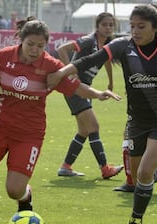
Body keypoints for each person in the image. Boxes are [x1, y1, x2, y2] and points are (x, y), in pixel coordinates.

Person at [0, 17, 121, 224]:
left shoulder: (51, 66)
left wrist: (98, 94)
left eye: (40, 46)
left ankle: (25, 200)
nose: (34, 50)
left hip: (29, 134)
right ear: (21, 40)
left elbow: (77, 87)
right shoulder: (4, 56)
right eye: (30, 44)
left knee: (14, 189)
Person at [46, 4, 157, 224]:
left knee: (145, 172)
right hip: (137, 121)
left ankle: (135, 221)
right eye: (132, 26)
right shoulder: (122, 46)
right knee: (138, 179)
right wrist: (61, 73)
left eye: (141, 26)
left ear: (155, 28)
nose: (135, 31)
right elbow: (88, 60)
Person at [113, 4, 157, 193]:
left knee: (134, 142)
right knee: (134, 142)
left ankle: (144, 179)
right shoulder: (139, 41)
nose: (136, 29)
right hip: (140, 102)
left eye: (141, 24)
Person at [56, 12, 123, 179]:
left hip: (83, 89)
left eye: (111, 25)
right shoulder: (88, 41)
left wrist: (110, 82)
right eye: (104, 25)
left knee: (85, 130)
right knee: (93, 127)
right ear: (97, 26)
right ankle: (105, 169)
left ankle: (65, 167)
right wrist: (69, 72)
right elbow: (61, 49)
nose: (108, 28)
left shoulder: (106, 44)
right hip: (75, 89)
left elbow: (106, 59)